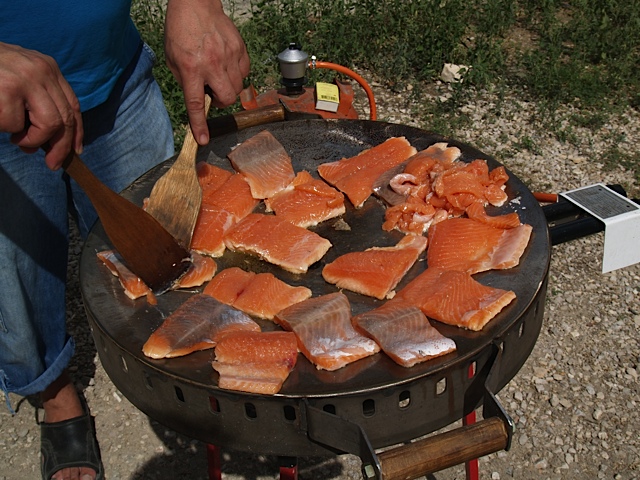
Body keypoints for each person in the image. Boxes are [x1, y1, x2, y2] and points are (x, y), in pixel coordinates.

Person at [0, 1, 250, 479]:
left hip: (115, 75)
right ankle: (55, 398)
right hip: (3, 115)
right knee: (15, 285)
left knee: (174, 257)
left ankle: (181, 355)